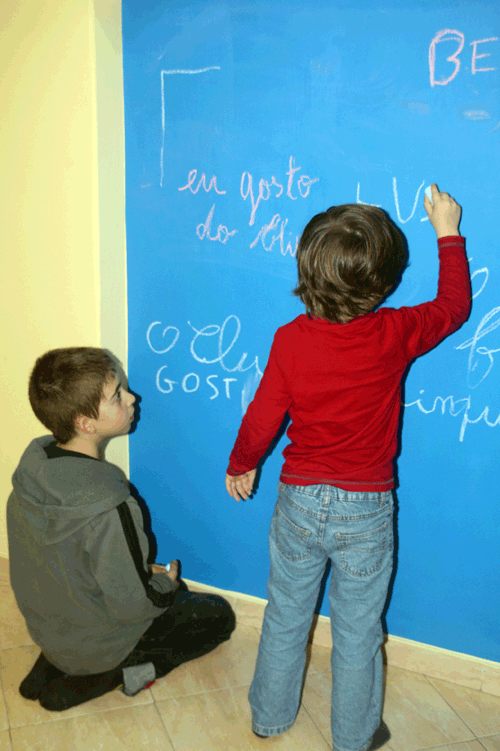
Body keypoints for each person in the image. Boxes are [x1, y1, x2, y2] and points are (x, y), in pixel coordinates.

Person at [225, 185, 471, 750]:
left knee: (286, 613)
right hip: (366, 508)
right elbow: (455, 307)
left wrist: (242, 464)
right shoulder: (393, 333)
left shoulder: (290, 339)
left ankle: (269, 717)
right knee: (359, 632)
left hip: (299, 500)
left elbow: (262, 415)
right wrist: (447, 231)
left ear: (307, 268)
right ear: (384, 283)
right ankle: (354, 737)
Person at [7, 347, 235, 711]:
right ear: (86, 423)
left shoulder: (28, 482)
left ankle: (57, 662)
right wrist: (168, 583)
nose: (131, 398)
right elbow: (135, 606)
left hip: (50, 630)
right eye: (117, 397)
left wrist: (139, 570)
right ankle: (106, 675)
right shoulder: (108, 505)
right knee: (217, 616)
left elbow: (68, 563)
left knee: (158, 592)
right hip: (96, 643)